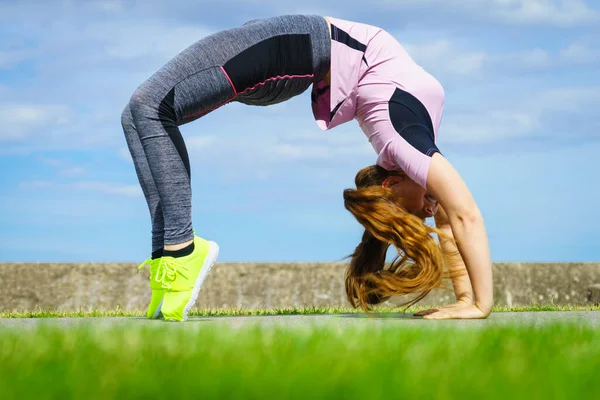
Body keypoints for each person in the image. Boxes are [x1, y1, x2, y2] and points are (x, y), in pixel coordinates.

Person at [122, 15, 493, 322]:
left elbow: (458, 218)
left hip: (296, 54)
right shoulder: (408, 149)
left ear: (393, 186)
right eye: (424, 208)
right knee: (135, 115)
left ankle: (180, 252)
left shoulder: (403, 148)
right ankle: (167, 261)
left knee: (150, 107)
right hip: (304, 52)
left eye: (418, 211)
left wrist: (475, 304)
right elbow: (456, 217)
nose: (430, 208)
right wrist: (471, 301)